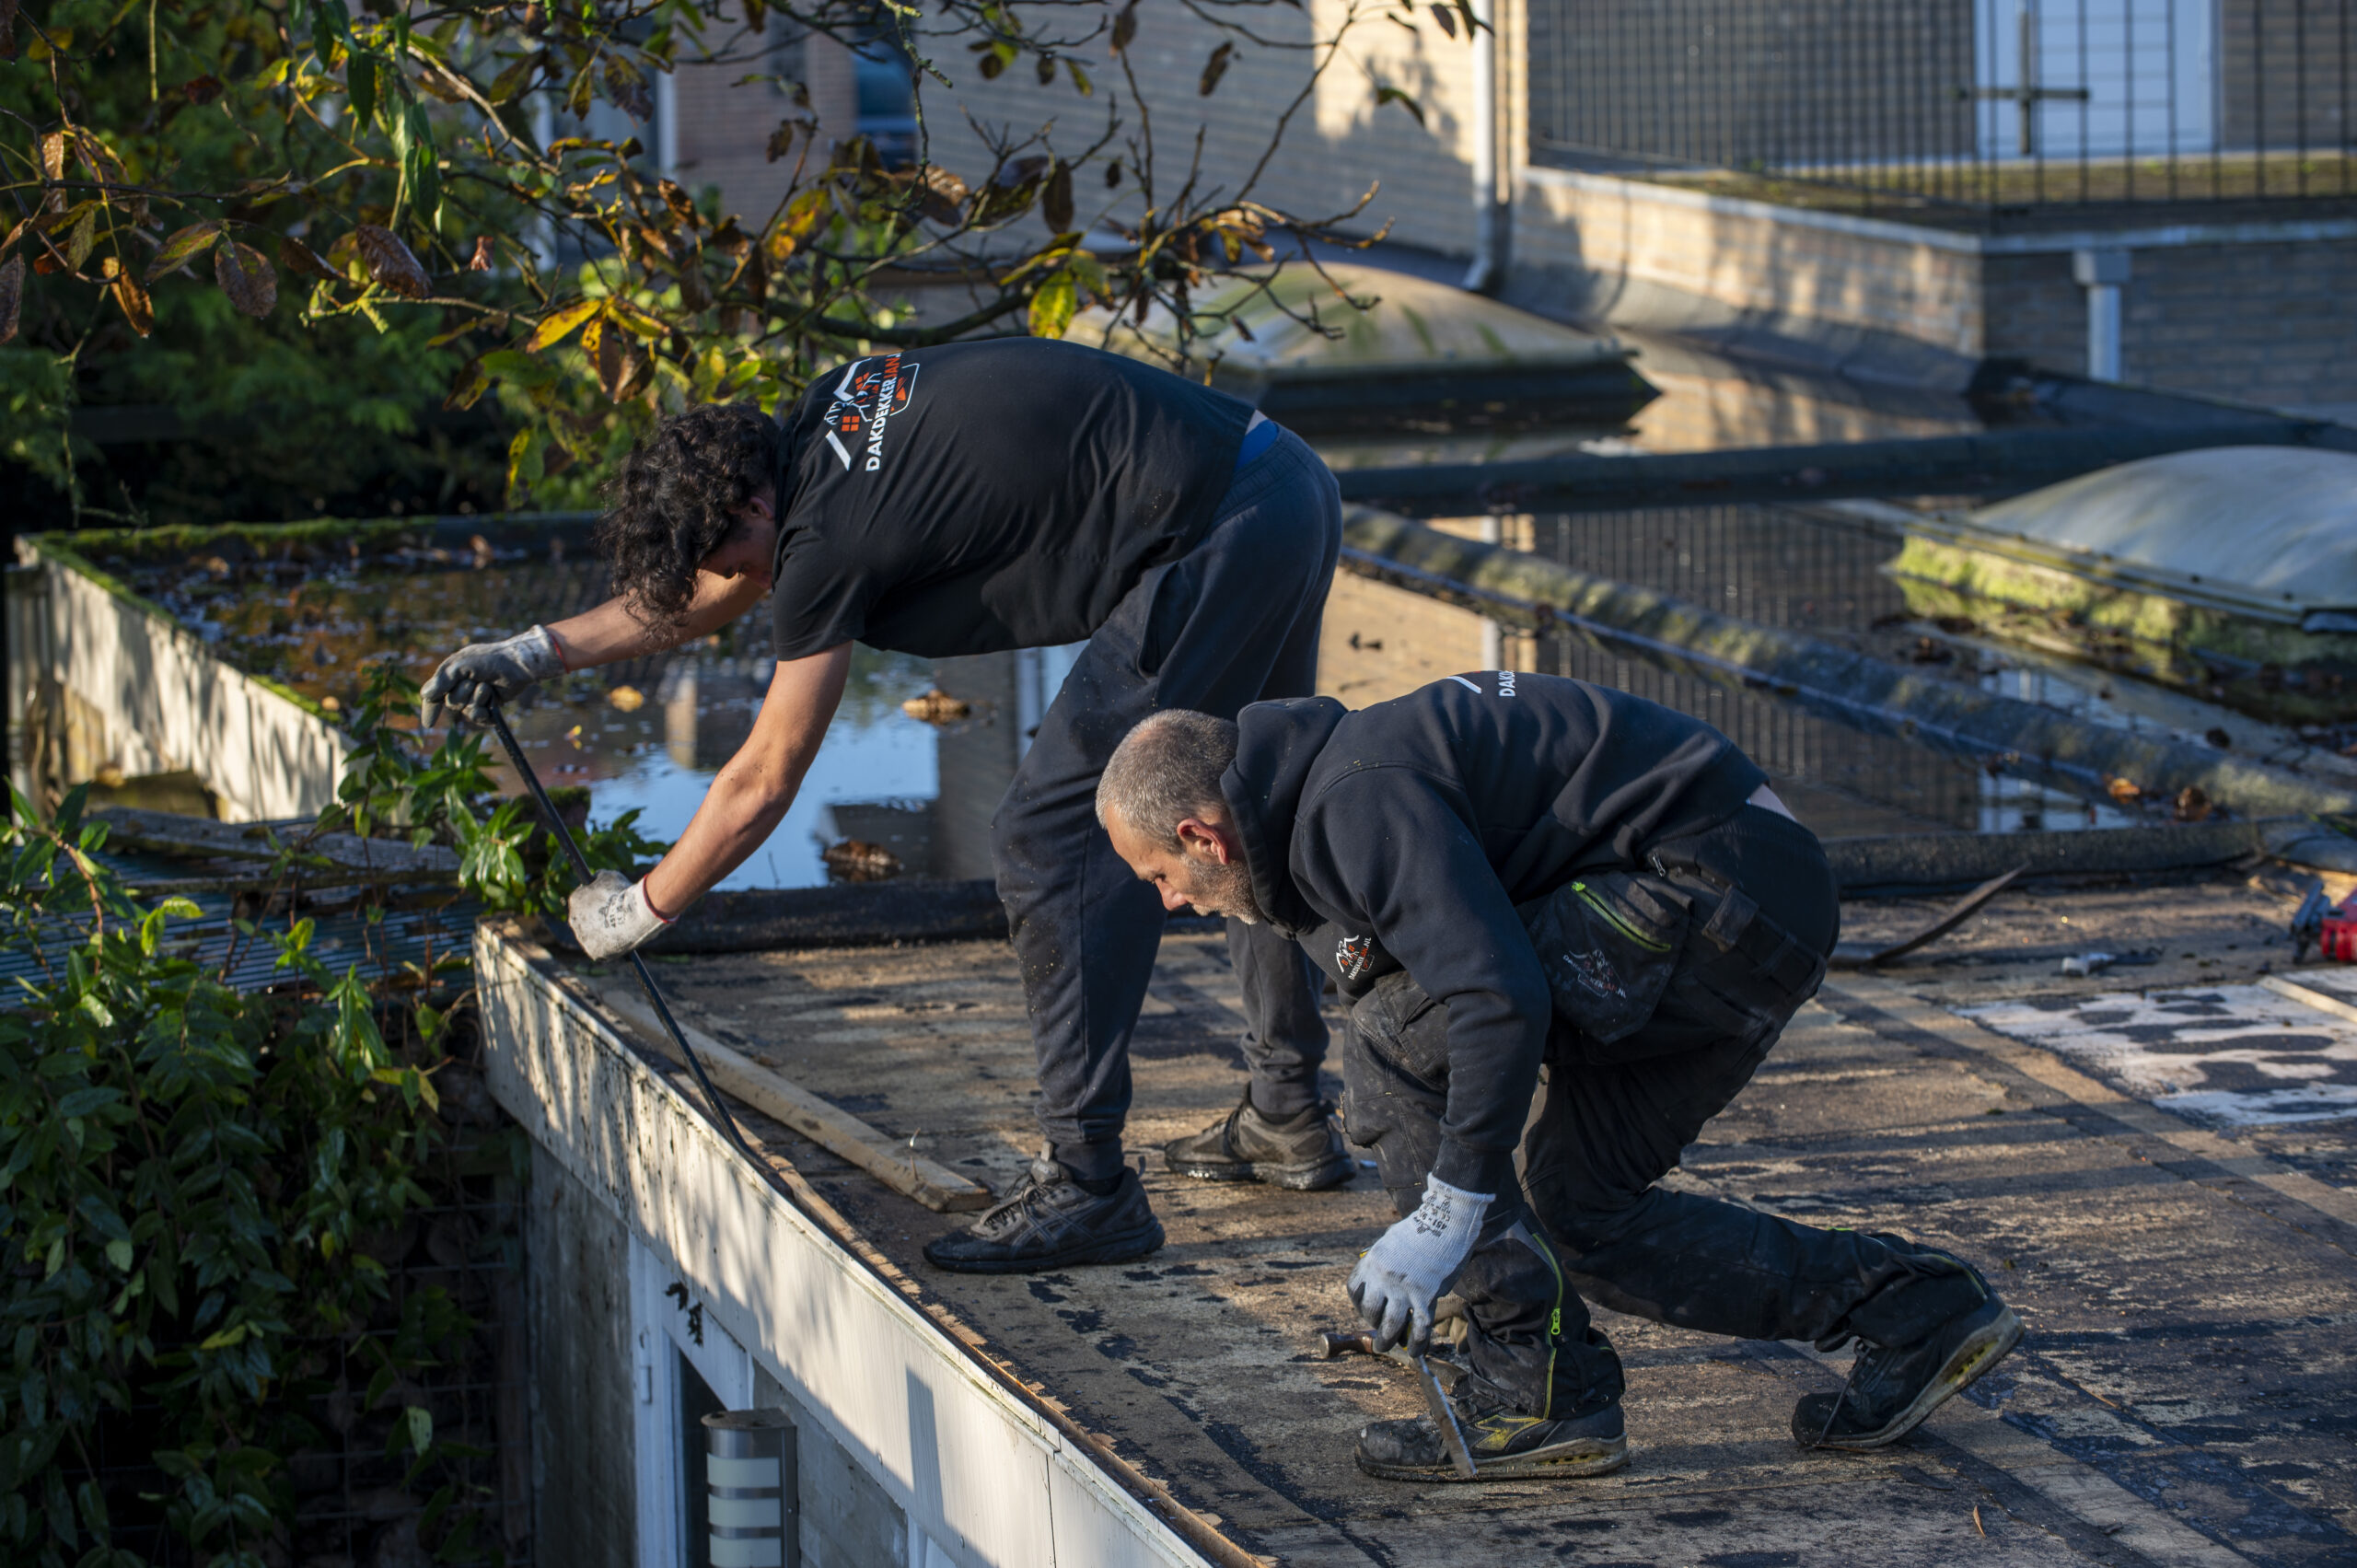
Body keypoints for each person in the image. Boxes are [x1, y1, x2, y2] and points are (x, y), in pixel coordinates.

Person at [422, 338, 1354, 1272]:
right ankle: (1286, 1115)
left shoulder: (824, 540)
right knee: (1245, 814)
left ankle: (1088, 1183)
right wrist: (539, 649)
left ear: (753, 507)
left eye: (736, 560)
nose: (746, 586)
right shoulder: (825, 418)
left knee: (1053, 833)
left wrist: (642, 907)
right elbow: (712, 590)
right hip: (1278, 481)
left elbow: (765, 774)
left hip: (1210, 534)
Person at [1094, 673, 2023, 1481]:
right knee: (1577, 1213)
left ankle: (1527, 1384)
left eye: (1159, 876)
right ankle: (1911, 1308)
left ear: (1200, 834)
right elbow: (1412, 961)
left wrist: (1447, 1210)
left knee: (1388, 1038)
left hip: (1709, 891)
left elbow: (1492, 996)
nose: (1170, 902)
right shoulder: (1326, 803)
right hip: (1744, 910)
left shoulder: (1355, 798)